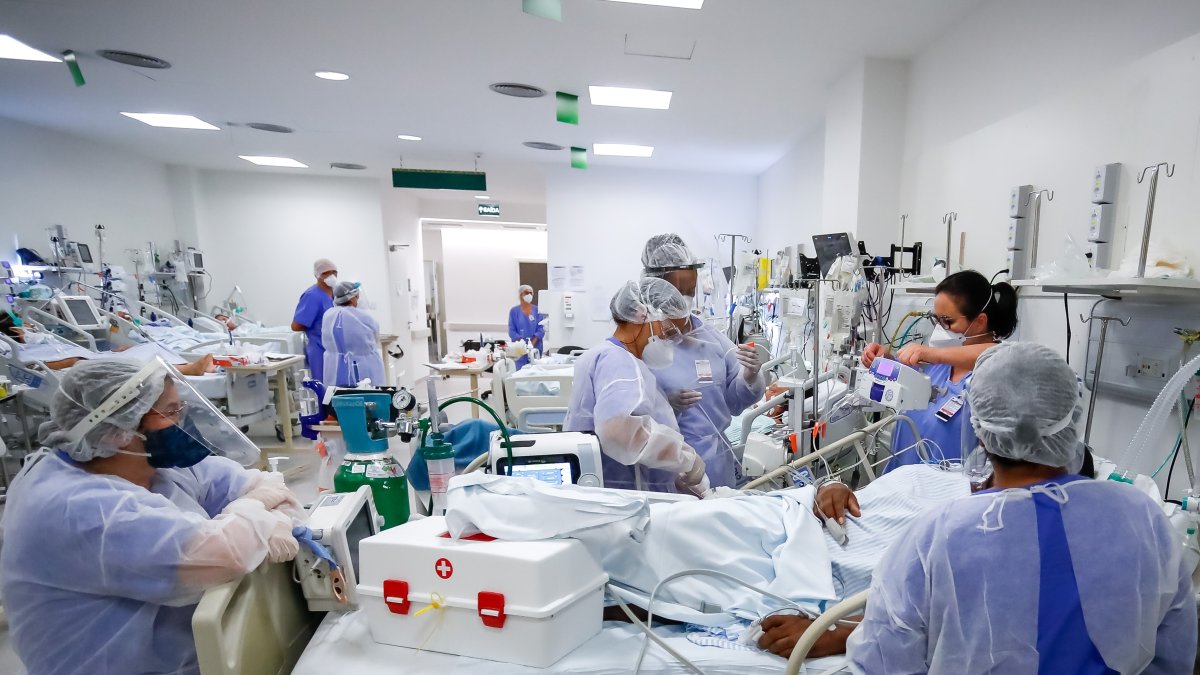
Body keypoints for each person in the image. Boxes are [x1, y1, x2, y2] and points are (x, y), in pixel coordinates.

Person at [847, 342, 1197, 673]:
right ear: (1070, 420)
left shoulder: (936, 538)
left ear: (981, 432)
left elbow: (883, 662)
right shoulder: (1144, 520)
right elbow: (1174, 654)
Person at [1, 359, 304, 675]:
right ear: (120, 430)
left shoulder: (149, 464)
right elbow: (223, 555)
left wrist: (268, 515)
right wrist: (256, 510)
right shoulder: (76, 509)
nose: (183, 420)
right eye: (172, 413)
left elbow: (261, 485)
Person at [859, 269, 1018, 469]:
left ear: (979, 322)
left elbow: (999, 353)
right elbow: (911, 380)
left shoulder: (997, 371)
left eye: (948, 321)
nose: (941, 328)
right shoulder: (939, 367)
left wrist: (930, 353)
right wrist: (885, 359)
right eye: (937, 320)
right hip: (901, 484)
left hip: (943, 492)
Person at [563, 278, 708, 494]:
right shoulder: (619, 361)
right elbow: (617, 431)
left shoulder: (605, 355)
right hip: (622, 494)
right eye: (668, 332)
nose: (669, 341)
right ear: (643, 314)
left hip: (608, 490)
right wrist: (685, 458)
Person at [642, 234, 765, 487]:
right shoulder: (642, 344)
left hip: (717, 462)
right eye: (678, 292)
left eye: (691, 291)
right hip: (668, 468)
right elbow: (627, 420)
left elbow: (733, 401)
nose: (685, 299)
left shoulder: (710, 339)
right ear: (654, 290)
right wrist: (668, 406)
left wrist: (750, 376)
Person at [0, 310, 214, 375]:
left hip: (91, 358)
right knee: (137, 362)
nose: (28, 327)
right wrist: (75, 360)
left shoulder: (36, 343)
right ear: (12, 331)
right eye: (22, 325)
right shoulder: (17, 351)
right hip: (82, 363)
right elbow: (34, 366)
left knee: (148, 347)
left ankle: (187, 368)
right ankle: (187, 369)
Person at [321, 280, 385, 388]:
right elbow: (375, 338)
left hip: (334, 366)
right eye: (357, 297)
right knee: (367, 396)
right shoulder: (364, 317)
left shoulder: (328, 315)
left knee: (338, 397)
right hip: (363, 367)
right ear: (352, 297)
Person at [292, 258, 338, 382]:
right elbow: (296, 325)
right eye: (326, 273)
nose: (331, 276)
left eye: (334, 272)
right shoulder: (312, 296)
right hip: (320, 349)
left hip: (335, 349)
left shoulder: (336, 293)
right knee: (323, 389)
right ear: (317, 275)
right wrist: (317, 329)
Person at [507, 284, 544, 370]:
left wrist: (532, 343)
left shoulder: (537, 310)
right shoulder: (514, 311)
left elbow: (541, 328)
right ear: (520, 295)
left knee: (535, 372)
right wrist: (523, 345)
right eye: (527, 293)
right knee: (520, 374)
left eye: (531, 293)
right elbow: (512, 330)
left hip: (536, 348)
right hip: (519, 349)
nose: (529, 295)